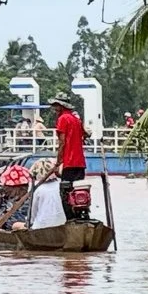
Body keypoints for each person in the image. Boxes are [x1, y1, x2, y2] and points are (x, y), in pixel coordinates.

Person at [52, 94, 92, 223]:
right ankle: (81, 216)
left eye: (56, 106)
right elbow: (85, 134)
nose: (54, 109)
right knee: (78, 192)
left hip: (69, 162)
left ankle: (70, 220)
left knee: (65, 192)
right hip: (80, 163)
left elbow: (62, 142)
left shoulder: (63, 119)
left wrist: (58, 161)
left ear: (61, 106)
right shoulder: (76, 119)